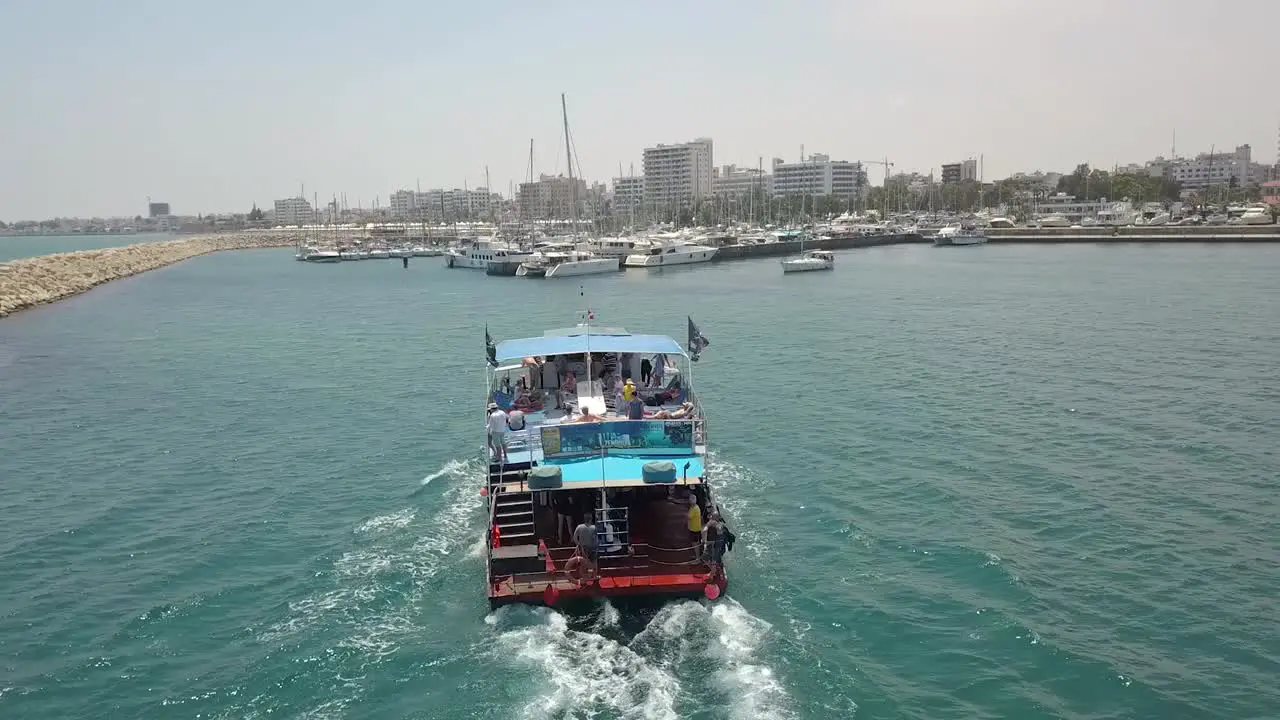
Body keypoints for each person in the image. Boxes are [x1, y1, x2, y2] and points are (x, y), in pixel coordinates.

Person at [573, 512, 599, 579]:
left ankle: (583, 577)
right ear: (591, 519)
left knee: (583, 563)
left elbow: (575, 537)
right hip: (592, 548)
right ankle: (594, 576)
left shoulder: (579, 527)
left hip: (583, 548)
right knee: (594, 562)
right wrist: (596, 547)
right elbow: (596, 539)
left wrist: (578, 545)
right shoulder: (594, 528)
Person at [702, 511, 726, 580]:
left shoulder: (711, 522)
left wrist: (704, 541)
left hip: (714, 544)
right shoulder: (720, 524)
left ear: (712, 517)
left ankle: (712, 575)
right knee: (715, 559)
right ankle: (714, 571)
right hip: (720, 543)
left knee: (708, 558)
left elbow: (704, 530)